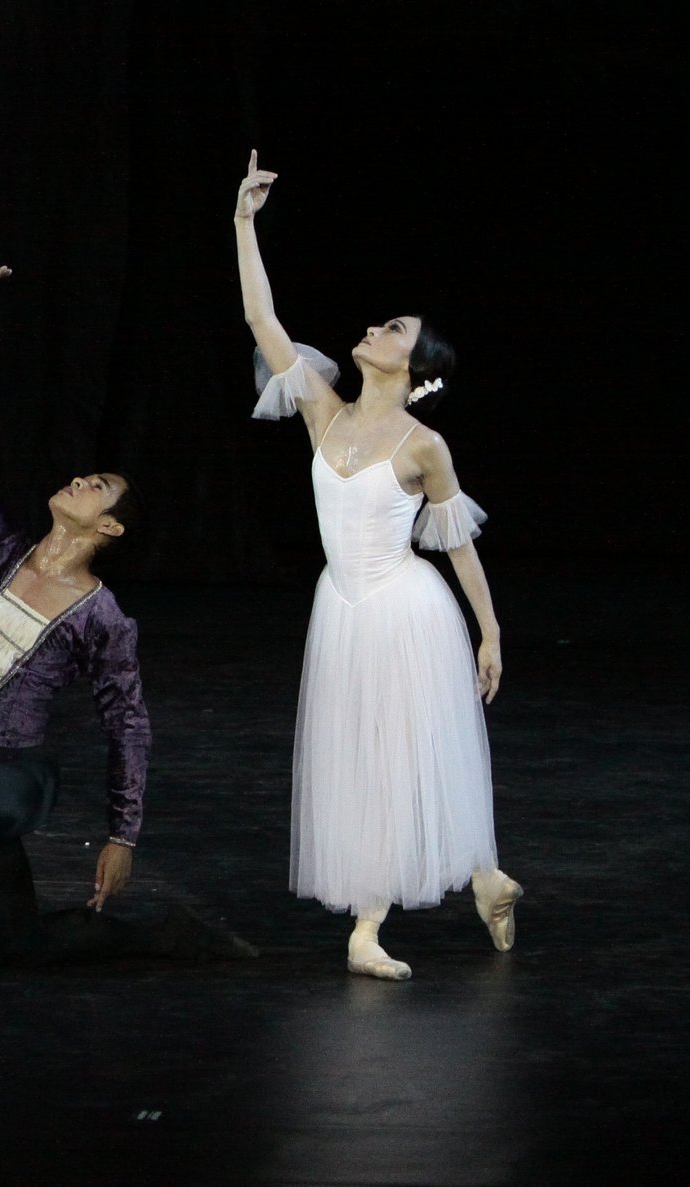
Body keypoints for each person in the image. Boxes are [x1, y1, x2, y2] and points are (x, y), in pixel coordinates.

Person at [0, 256, 249, 996]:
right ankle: (167, 936)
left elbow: (129, 724)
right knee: (25, 943)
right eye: (86, 474)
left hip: (17, 772)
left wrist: (123, 834)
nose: (81, 478)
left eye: (98, 485)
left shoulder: (103, 615)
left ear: (108, 525)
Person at [235, 151, 522, 980]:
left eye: (396, 329)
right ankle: (463, 886)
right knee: (358, 756)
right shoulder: (323, 406)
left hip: (404, 607)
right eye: (383, 322)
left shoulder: (423, 444)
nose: (376, 329)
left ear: (417, 366)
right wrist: (244, 222)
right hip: (344, 605)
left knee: (409, 751)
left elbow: (458, 541)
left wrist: (490, 631)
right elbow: (263, 324)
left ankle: (396, 913)